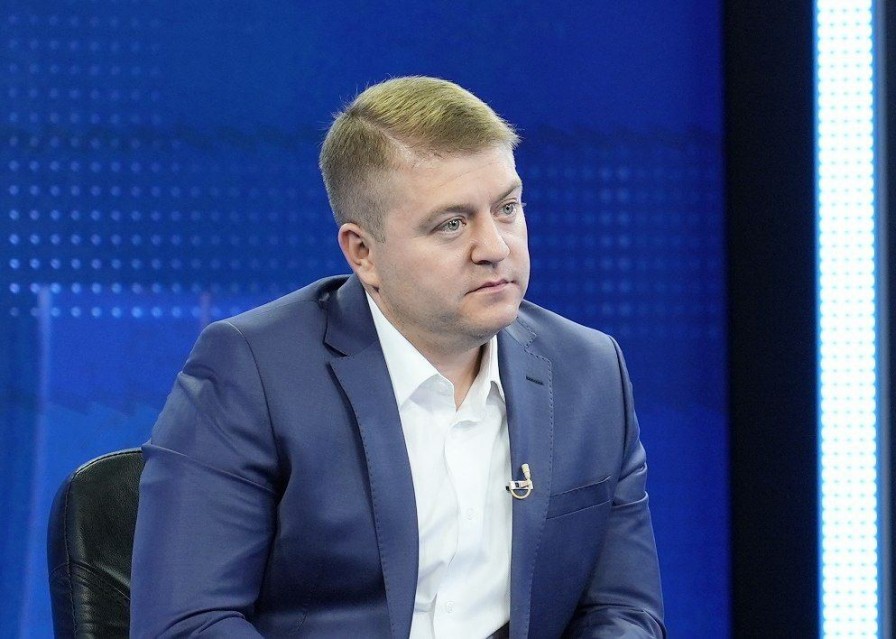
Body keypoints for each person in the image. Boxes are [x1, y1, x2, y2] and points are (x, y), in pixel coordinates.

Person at [130, 76, 665, 638]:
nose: (495, 247)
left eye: (507, 208)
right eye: (452, 224)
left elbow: (623, 612)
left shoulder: (589, 371)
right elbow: (187, 624)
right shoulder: (253, 372)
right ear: (363, 252)